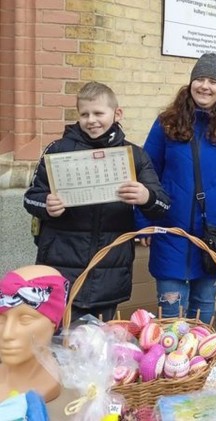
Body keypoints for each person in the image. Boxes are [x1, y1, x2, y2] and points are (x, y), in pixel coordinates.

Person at [24, 82, 170, 322]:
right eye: (84, 114)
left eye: (98, 113)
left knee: (98, 346)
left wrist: (146, 197)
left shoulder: (134, 155)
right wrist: (47, 205)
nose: (91, 120)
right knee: (56, 342)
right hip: (60, 266)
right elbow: (31, 197)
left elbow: (162, 205)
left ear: (117, 113)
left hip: (109, 271)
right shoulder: (57, 151)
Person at [139, 52, 216, 324]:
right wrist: (143, 219)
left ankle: (198, 365)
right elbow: (147, 171)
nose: (205, 86)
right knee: (170, 313)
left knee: (204, 312)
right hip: (171, 231)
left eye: (213, 81)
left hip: (214, 234)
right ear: (191, 82)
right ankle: (171, 365)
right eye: (200, 79)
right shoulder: (167, 122)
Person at [0, 265, 69, 403]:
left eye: (25, 319)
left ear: (53, 323)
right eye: (1, 319)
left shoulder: (49, 384)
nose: (7, 334)